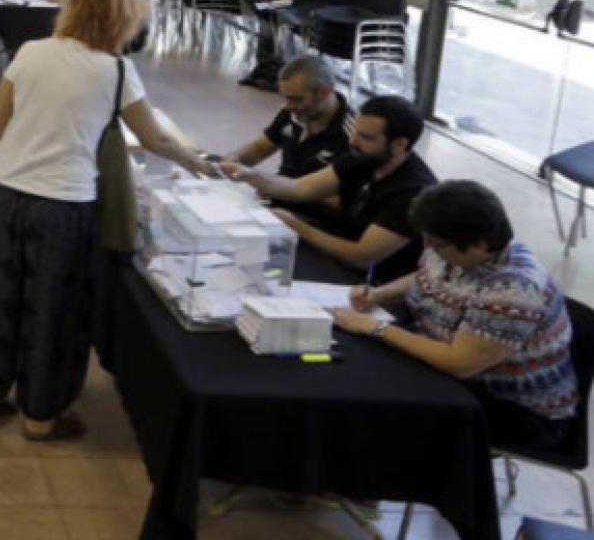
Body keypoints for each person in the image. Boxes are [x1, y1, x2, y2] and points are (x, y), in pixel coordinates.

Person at [0, 0, 217, 438]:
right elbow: (153, 137)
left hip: (3, 190)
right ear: (121, 25)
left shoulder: (30, 52)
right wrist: (199, 163)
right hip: (65, 202)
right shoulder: (116, 71)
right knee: (53, 306)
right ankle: (41, 414)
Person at [332, 181, 577, 451]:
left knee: (373, 403)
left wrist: (375, 328)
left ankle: (357, 487)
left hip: (510, 407)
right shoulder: (454, 249)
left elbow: (458, 363)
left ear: (479, 245)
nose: (427, 247)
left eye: (436, 244)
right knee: (352, 369)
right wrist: (379, 294)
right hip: (452, 370)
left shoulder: (513, 292)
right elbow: (425, 276)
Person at [223, 94, 438, 287]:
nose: (352, 140)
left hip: (373, 282)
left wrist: (298, 227)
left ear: (400, 144)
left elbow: (362, 257)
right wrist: (248, 175)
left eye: (366, 137)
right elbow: (301, 187)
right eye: (355, 131)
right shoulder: (363, 156)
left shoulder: (413, 192)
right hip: (336, 251)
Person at [222, 55, 352, 182]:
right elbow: (260, 149)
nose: (288, 106)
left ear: (323, 93)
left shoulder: (353, 134)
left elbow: (345, 197)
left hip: (305, 201)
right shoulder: (292, 113)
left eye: (296, 99)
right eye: (286, 98)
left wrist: (277, 188)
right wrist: (234, 159)